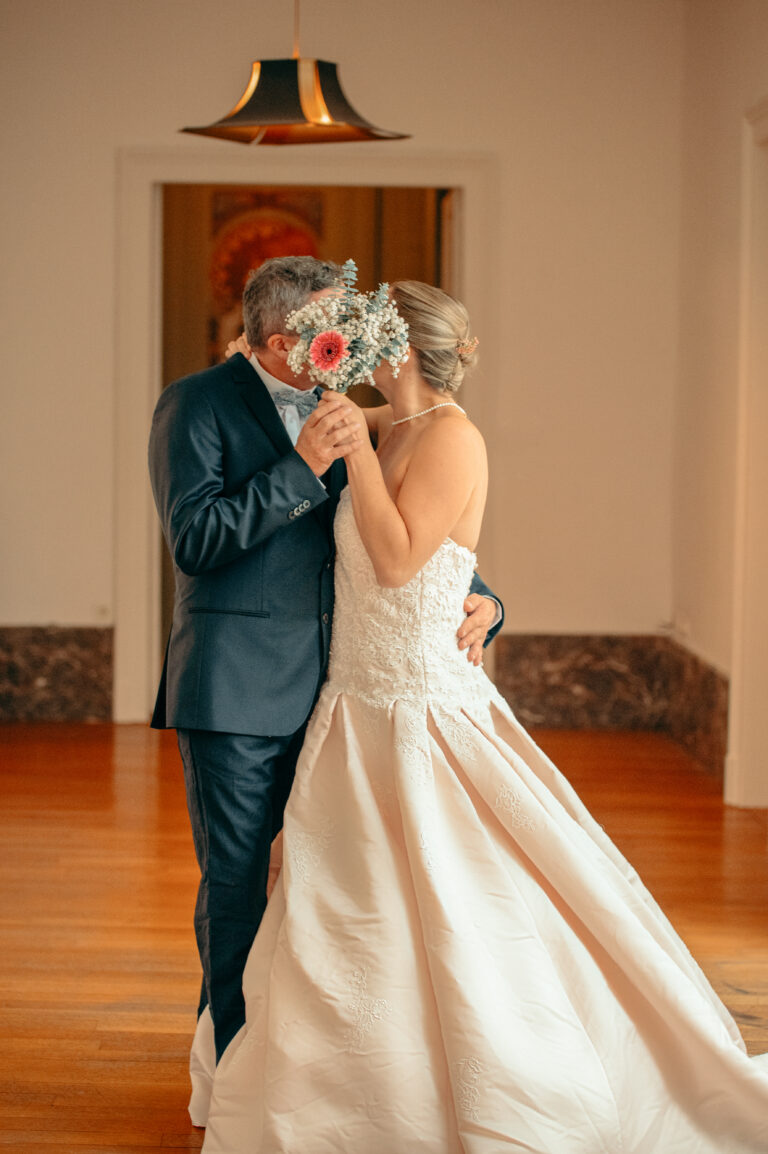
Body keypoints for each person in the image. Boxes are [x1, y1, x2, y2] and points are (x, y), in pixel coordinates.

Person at [201, 280, 768, 1153]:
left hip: (419, 703)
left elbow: (398, 563)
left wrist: (356, 456)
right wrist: (359, 448)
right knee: (347, 901)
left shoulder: (453, 439)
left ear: (397, 348)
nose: (344, 353)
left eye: (361, 337)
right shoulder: (396, 429)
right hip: (353, 701)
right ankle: (354, 1088)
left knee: (462, 893)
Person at [147, 258, 503, 1121]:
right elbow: (195, 538)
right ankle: (232, 1083)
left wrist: (485, 598)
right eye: (325, 334)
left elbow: (415, 527)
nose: (347, 350)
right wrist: (302, 466)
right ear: (280, 343)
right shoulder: (195, 404)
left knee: (325, 893)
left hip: (344, 693)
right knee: (237, 889)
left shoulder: (357, 411)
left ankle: (311, 1079)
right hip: (234, 694)